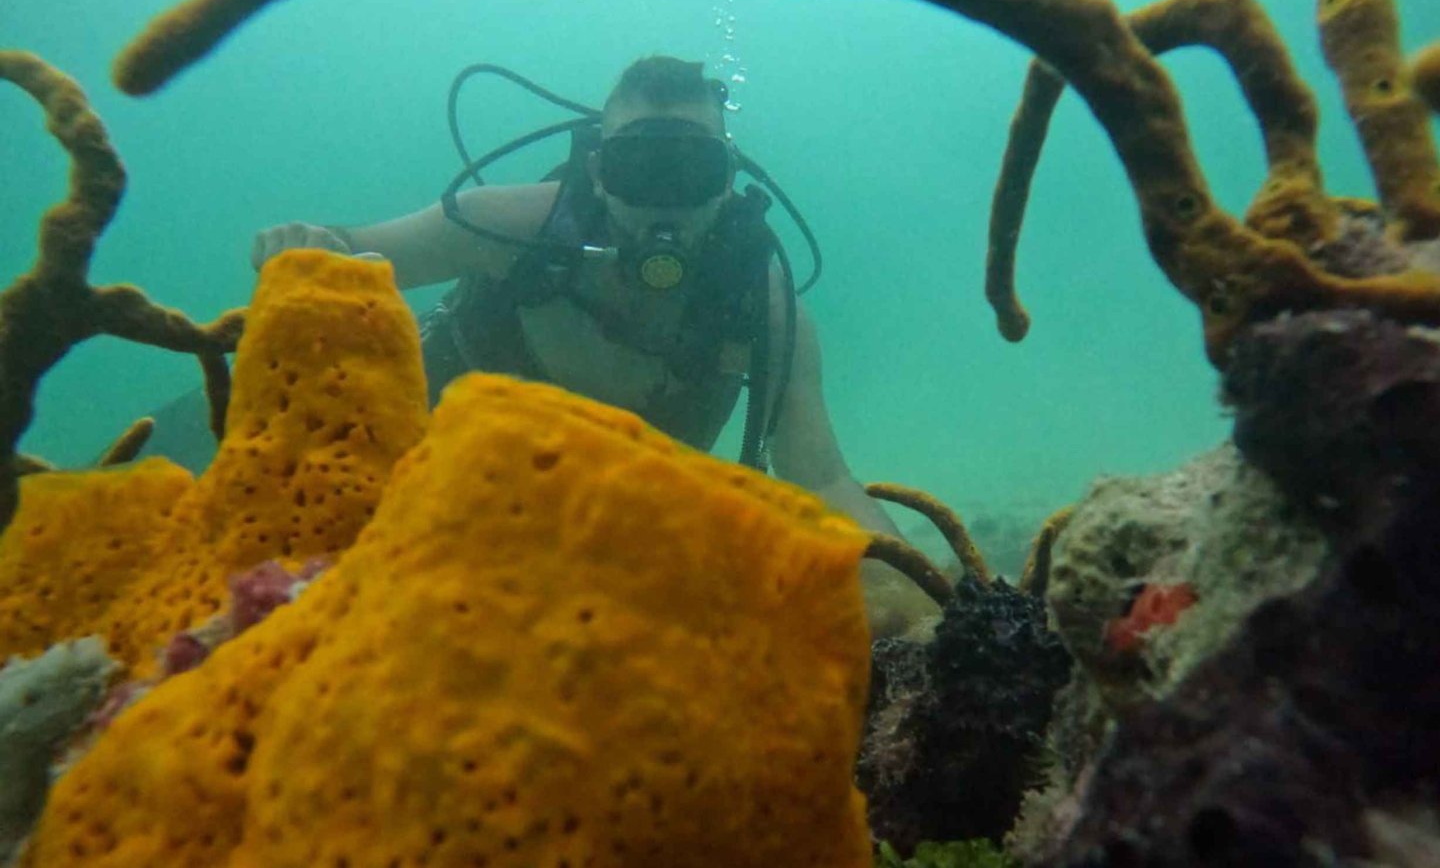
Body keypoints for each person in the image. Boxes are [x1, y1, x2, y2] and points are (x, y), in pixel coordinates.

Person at [252, 56, 933, 634]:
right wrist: (312, 244)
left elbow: (822, 478)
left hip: (604, 550)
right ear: (600, 172)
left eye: (691, 171)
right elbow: (361, 255)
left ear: (727, 182)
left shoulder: (764, 309)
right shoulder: (513, 225)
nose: (665, 202)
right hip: (422, 490)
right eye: (642, 168)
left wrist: (923, 600)